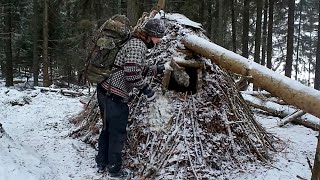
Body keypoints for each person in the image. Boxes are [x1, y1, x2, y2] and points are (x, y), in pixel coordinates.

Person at [95, 18, 172, 178]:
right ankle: (114, 169)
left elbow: (132, 67)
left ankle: (101, 163)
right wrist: (147, 90)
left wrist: (156, 69)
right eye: (159, 37)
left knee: (107, 128)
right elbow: (132, 75)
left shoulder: (134, 42)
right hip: (114, 94)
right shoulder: (138, 45)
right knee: (117, 133)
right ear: (152, 35)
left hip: (105, 90)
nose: (160, 41)